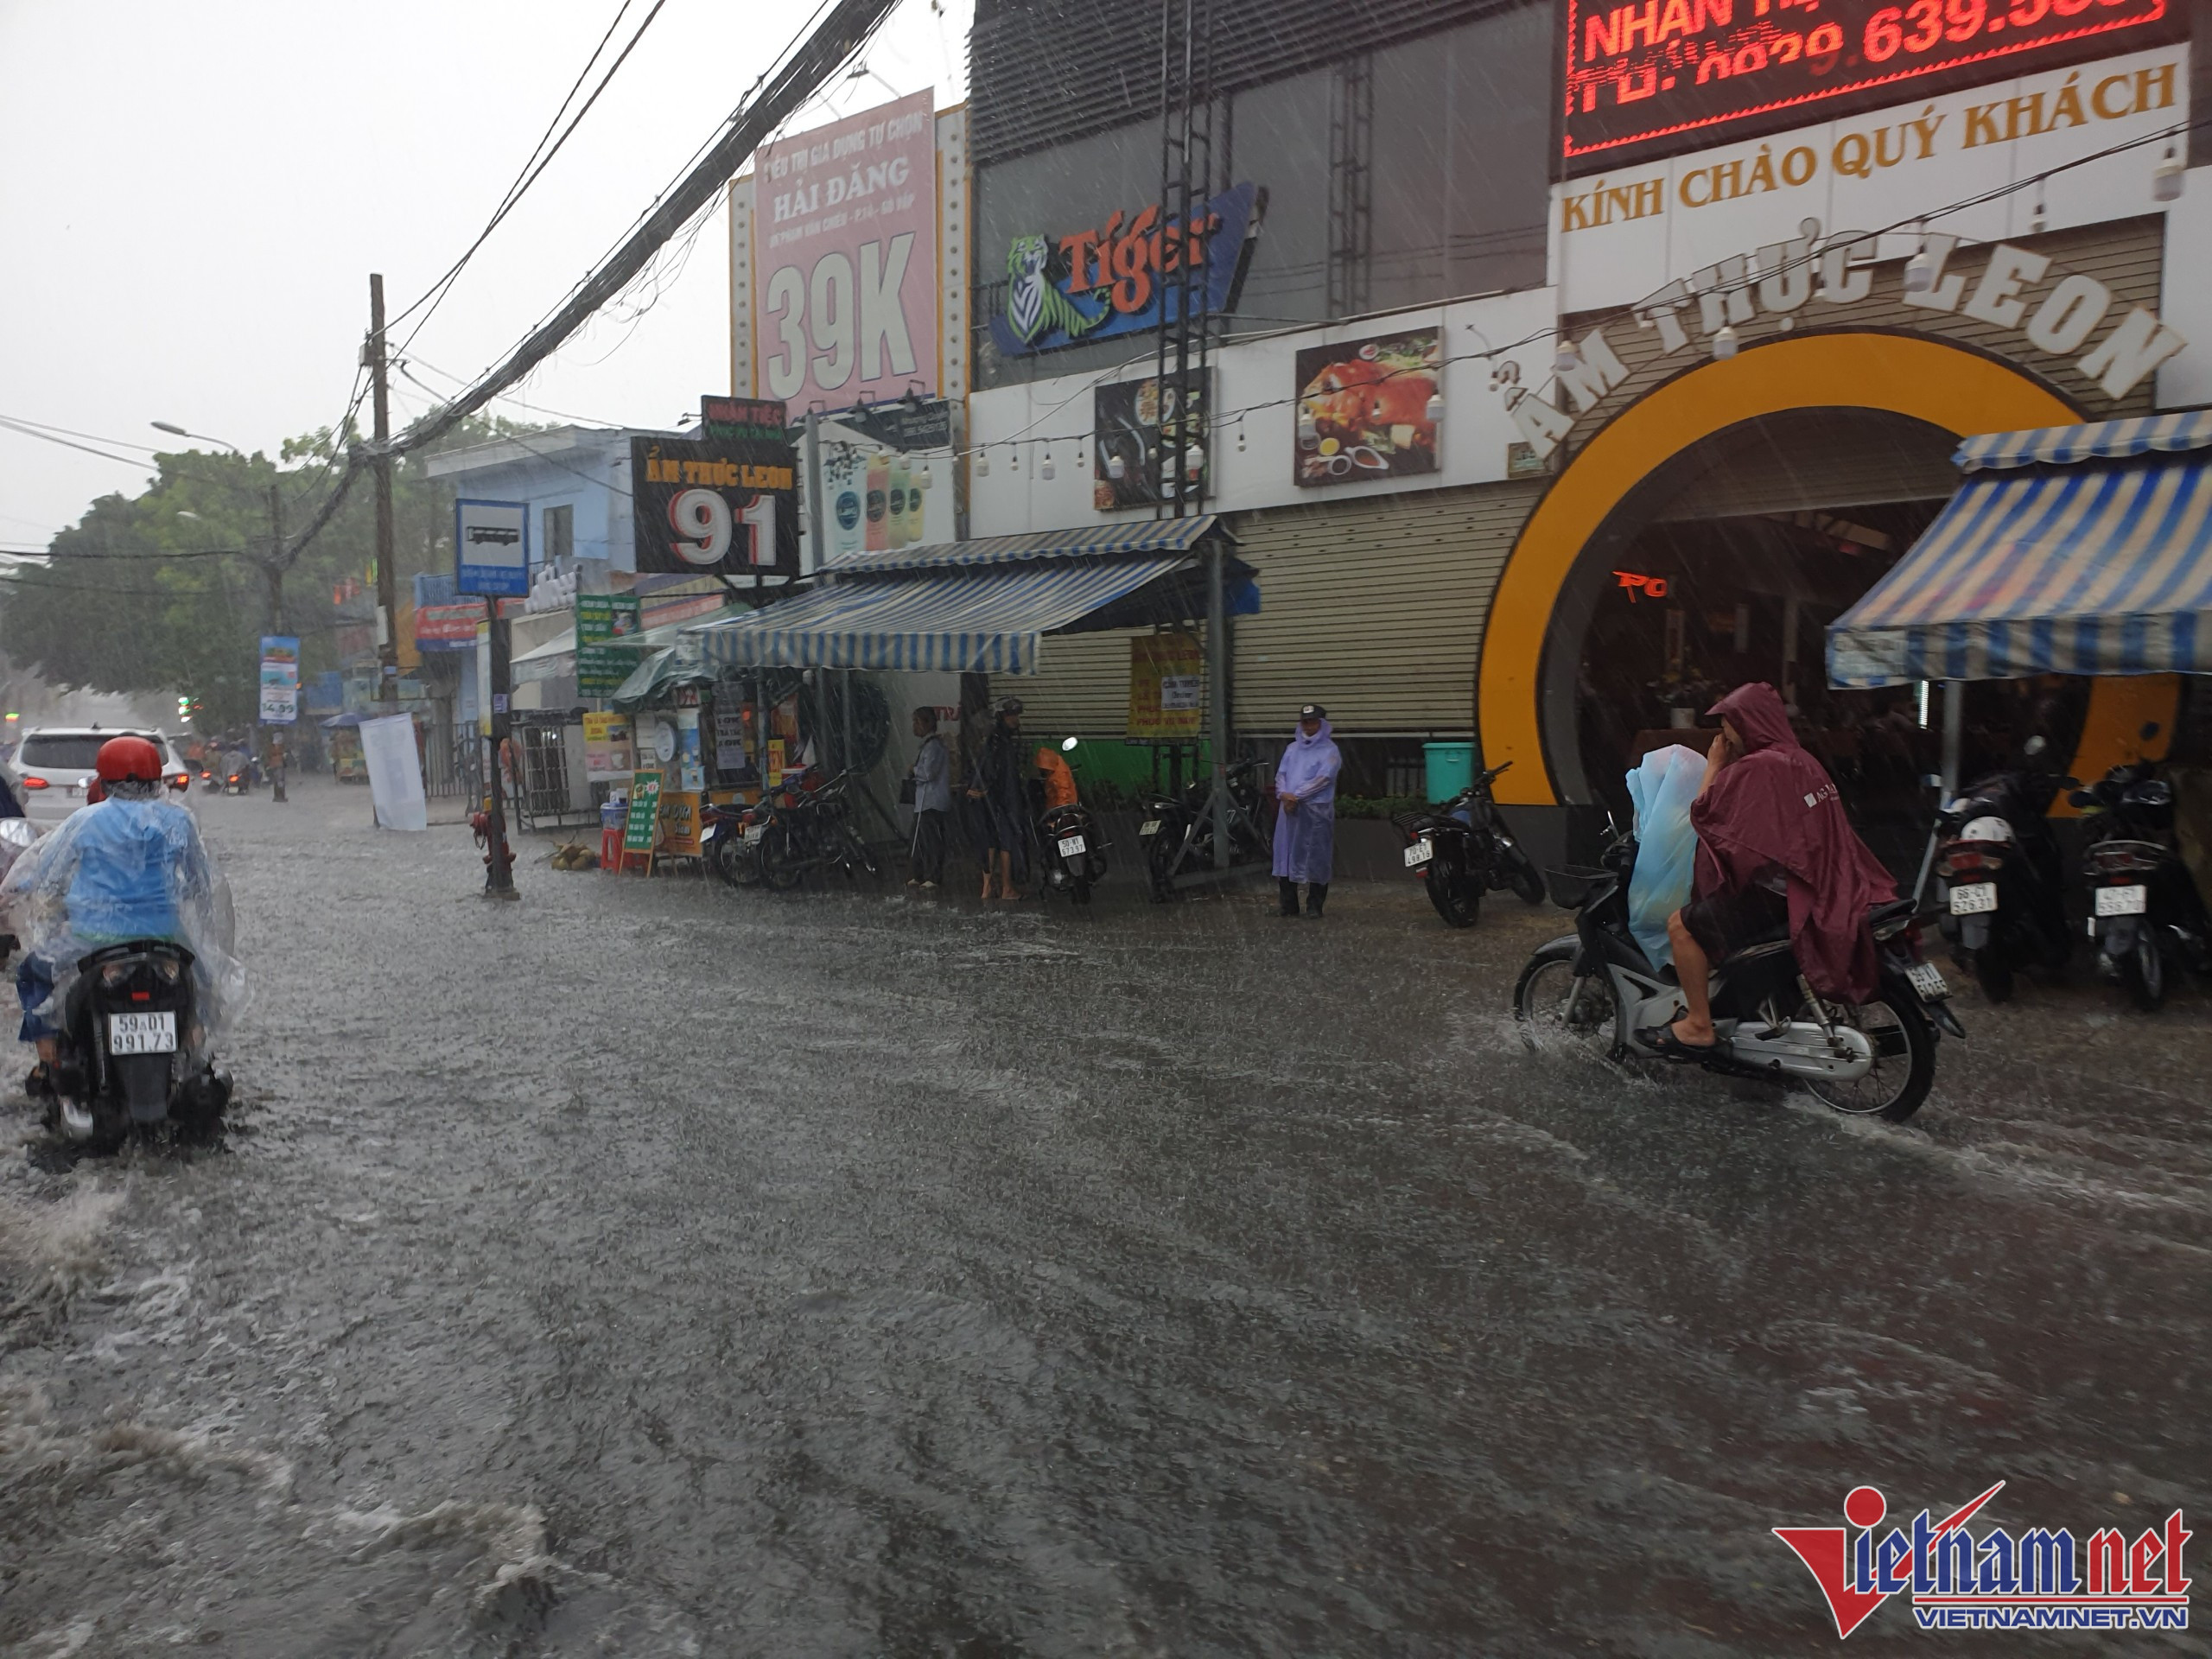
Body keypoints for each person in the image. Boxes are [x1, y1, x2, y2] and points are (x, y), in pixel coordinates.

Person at [1648, 683, 1897, 1057]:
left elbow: (1705, 813)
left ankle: (1698, 1024)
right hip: (1820, 884)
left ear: (1748, 724)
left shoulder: (1757, 767)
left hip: (1782, 893)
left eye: (1728, 724)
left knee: (1681, 926)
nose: (1724, 735)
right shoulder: (1801, 760)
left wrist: (1715, 764)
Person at [9, 735, 241, 1096]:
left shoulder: (84, 821)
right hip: (166, 938)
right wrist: (203, 939)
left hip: (92, 940)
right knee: (204, 991)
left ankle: (48, 1063)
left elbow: (48, 880)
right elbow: (200, 883)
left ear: (103, 779)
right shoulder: (179, 821)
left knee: (33, 974)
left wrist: (43, 910)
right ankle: (195, 1059)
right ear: (158, 777)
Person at [1274, 703, 1342, 918]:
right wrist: (1284, 794)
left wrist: (1297, 795)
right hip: (1289, 810)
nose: (1309, 726)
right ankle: (1288, 905)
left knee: (1316, 856)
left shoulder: (1330, 751)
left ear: (1322, 724)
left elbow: (1324, 778)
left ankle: (1314, 905)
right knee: (1284, 855)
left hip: (1314, 811)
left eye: (1313, 722)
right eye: (1305, 722)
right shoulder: (1292, 749)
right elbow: (1281, 774)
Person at [966, 697, 1030, 900]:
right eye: (1012, 715)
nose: (1015, 720)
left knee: (991, 842)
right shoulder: (1001, 741)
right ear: (1003, 717)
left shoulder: (993, 739)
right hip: (1001, 802)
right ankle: (1007, 888)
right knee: (1006, 843)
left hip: (990, 802)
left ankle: (987, 887)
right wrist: (990, 789)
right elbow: (995, 770)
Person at [906, 707, 950, 888]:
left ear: (927, 723)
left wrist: (913, 770)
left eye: (917, 722)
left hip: (932, 802)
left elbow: (928, 773)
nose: (914, 726)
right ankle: (919, 874)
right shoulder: (927, 745)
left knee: (931, 840)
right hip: (923, 801)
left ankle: (933, 875)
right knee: (918, 840)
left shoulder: (934, 747)